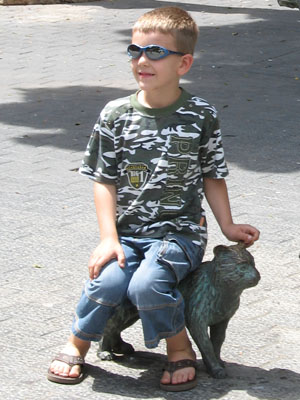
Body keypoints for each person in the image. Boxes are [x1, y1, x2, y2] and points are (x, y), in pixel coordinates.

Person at [47, 6, 260, 392]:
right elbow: (103, 180)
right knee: (107, 281)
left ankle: (178, 346)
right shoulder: (115, 115)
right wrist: (109, 238)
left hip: (178, 234)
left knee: (148, 284)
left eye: (155, 52)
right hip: (127, 234)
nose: (142, 60)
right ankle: (77, 342)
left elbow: (213, 174)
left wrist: (227, 225)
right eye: (135, 51)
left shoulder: (200, 115)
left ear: (184, 63)